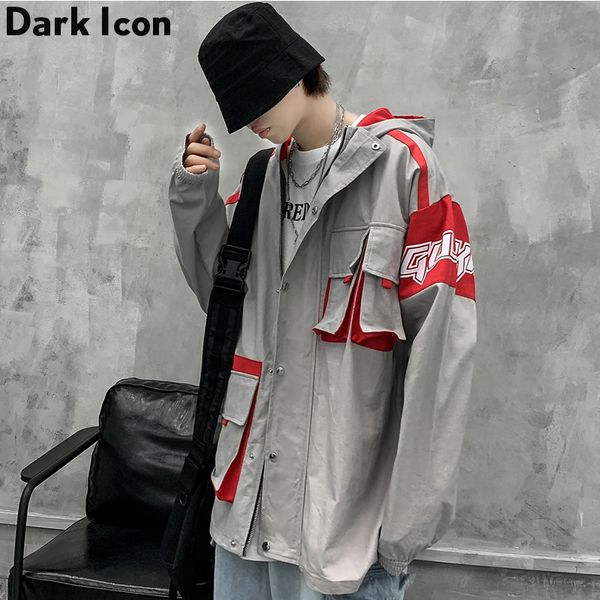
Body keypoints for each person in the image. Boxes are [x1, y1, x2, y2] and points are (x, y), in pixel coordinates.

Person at [168, 2, 477, 599]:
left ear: (296, 73)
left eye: (257, 99)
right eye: (238, 109)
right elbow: (221, 303)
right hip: (246, 511)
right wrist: (194, 195)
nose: (250, 121)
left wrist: (406, 525)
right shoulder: (260, 180)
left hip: (344, 522)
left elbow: (442, 351)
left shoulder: (402, 169)